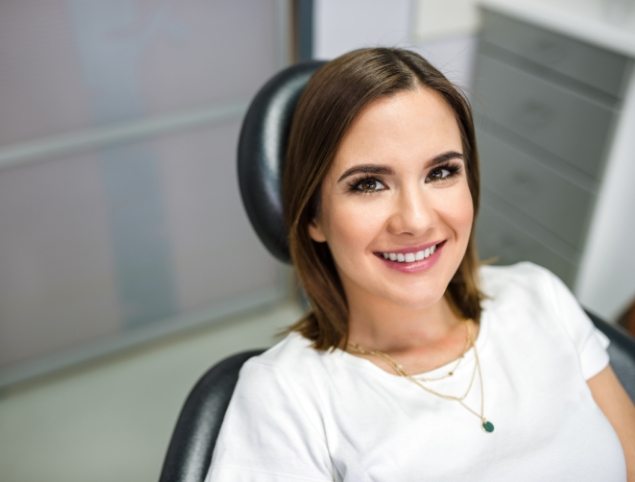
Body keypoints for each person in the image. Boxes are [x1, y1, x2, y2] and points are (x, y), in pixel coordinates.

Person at [206, 47, 634, 481]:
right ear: (314, 215)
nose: (416, 219)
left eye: (441, 173)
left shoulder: (540, 297)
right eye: (369, 183)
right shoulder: (283, 396)